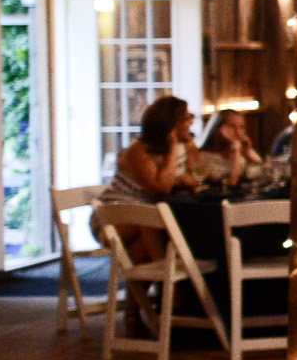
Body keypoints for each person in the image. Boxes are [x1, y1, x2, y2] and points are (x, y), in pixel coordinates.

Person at [97, 94, 200, 263]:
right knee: (151, 222)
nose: (191, 123)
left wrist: (186, 177)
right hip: (112, 217)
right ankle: (172, 284)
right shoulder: (139, 150)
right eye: (186, 119)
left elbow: (196, 175)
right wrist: (173, 147)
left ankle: (162, 287)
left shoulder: (180, 146)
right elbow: (163, 188)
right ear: (170, 125)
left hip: (144, 215)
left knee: (142, 251)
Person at [194, 109, 261, 187]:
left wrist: (248, 151)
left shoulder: (242, 151)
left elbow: (262, 175)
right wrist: (236, 152)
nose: (238, 132)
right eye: (232, 126)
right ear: (218, 129)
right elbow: (231, 183)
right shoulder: (205, 156)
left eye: (241, 127)